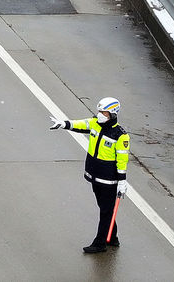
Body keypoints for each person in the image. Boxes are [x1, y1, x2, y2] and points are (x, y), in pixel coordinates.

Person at [49, 97, 130, 254]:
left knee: (106, 211)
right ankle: (112, 237)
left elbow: (122, 160)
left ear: (113, 114)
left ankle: (100, 243)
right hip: (94, 175)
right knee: (105, 208)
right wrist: (63, 124)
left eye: (104, 113)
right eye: (99, 111)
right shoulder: (95, 123)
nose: (100, 115)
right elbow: (80, 124)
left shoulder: (120, 136)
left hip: (109, 180)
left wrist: (122, 182)